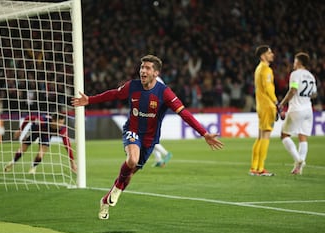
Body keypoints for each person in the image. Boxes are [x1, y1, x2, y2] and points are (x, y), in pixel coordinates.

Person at [72, 54, 223, 220]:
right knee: (132, 160)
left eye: (147, 68)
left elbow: (184, 113)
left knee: (129, 174)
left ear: (156, 73)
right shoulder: (132, 86)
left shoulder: (164, 93)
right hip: (132, 130)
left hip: (150, 140)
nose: (143, 71)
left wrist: (204, 133)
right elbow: (114, 94)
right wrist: (90, 100)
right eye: (142, 67)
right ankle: (116, 191)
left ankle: (106, 200)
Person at [277, 52, 317, 175]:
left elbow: (293, 90)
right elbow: (314, 94)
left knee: (284, 135)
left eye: (295, 61)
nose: (293, 63)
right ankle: (298, 168)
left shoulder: (295, 74)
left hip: (296, 109)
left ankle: (298, 159)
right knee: (303, 137)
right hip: (308, 110)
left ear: (299, 62)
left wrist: (282, 103)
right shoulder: (311, 76)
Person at [4, 114, 77, 174]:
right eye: (59, 123)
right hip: (34, 130)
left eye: (62, 123)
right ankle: (13, 162)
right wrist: (20, 130)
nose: (61, 125)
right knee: (22, 149)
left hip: (46, 135)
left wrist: (72, 162)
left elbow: (67, 145)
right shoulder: (41, 121)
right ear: (53, 121)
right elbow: (28, 118)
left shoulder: (62, 129)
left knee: (40, 155)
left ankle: (33, 167)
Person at [249, 45, 277, 176]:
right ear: (263, 56)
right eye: (269, 52)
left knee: (260, 136)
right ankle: (260, 169)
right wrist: (276, 102)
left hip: (260, 105)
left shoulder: (258, 69)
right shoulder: (266, 69)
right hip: (267, 105)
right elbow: (268, 88)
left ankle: (254, 167)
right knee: (265, 135)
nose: (272, 54)